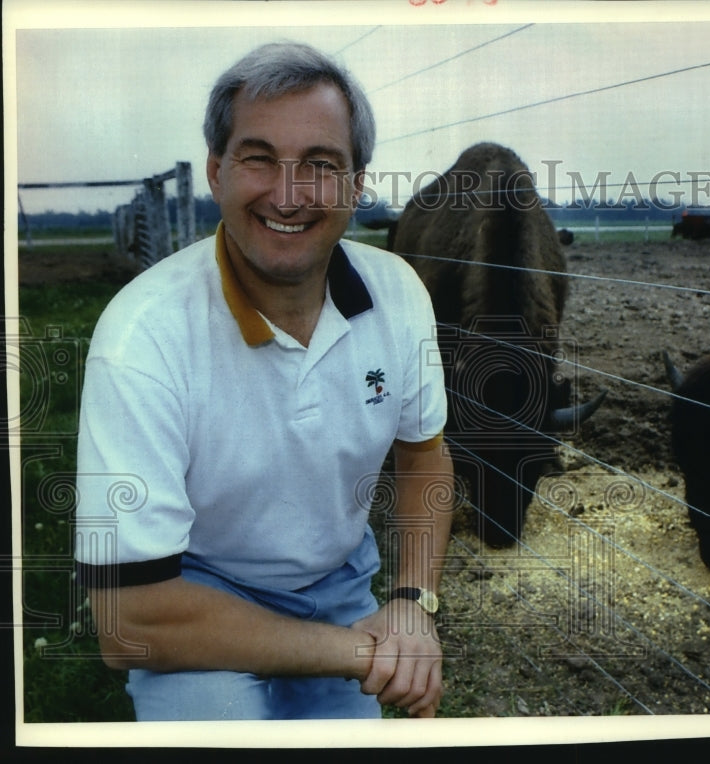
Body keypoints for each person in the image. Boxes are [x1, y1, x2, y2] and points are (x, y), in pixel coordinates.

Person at [73, 41, 453, 720]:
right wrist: (364, 654)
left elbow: (424, 455)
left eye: (320, 165)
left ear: (357, 186)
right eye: (258, 159)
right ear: (217, 173)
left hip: (339, 584)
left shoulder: (398, 293)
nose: (288, 194)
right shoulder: (141, 338)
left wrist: (410, 604)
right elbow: (127, 618)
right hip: (189, 598)